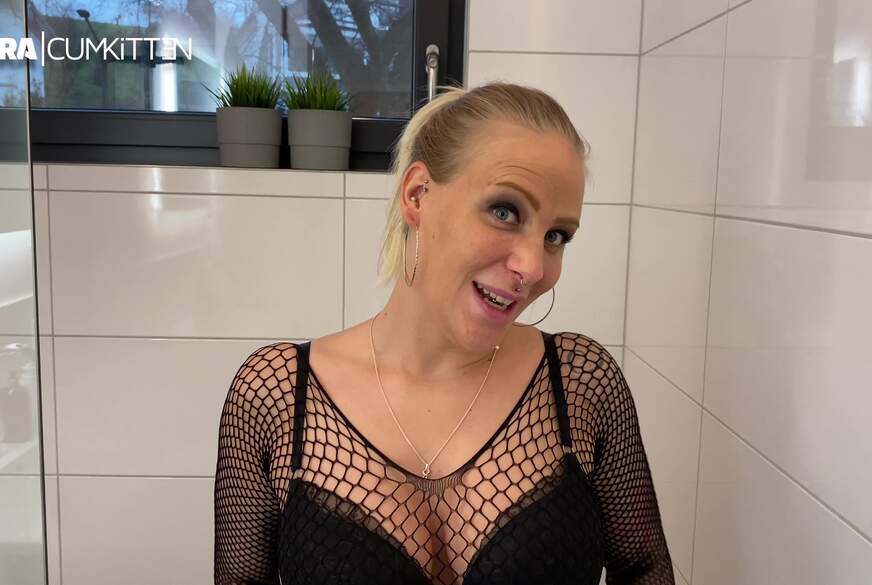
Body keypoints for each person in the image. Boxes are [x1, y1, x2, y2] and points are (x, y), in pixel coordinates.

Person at [213, 82, 674, 585]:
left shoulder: (580, 384)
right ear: (417, 196)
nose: (533, 267)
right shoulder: (279, 395)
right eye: (505, 211)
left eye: (555, 236)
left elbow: (645, 569)